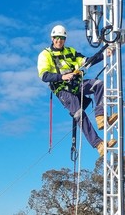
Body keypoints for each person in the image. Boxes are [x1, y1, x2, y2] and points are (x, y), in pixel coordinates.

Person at [37, 24, 117, 156]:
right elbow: (44, 76)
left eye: (62, 38)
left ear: (65, 39)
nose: (59, 41)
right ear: (52, 38)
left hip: (76, 84)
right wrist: (62, 76)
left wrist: (104, 55)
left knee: (98, 84)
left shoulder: (71, 51)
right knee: (80, 114)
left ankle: (100, 116)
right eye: (56, 38)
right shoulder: (45, 54)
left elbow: (87, 61)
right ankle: (99, 144)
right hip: (63, 90)